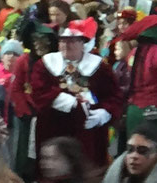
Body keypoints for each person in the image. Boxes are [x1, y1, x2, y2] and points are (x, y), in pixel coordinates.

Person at [30, 22, 117, 174]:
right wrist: (68, 101)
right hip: (53, 127)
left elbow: (114, 95)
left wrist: (105, 113)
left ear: (83, 44)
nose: (66, 45)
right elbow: (39, 91)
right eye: (62, 41)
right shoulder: (44, 64)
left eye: (72, 41)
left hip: (88, 130)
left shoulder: (100, 67)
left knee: (86, 171)